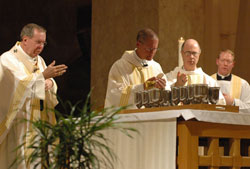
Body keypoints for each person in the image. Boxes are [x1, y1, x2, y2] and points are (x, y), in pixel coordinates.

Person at [0, 23, 68, 168]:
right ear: (25, 40)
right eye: (38, 42)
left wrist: (50, 83)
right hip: (18, 123)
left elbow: (42, 83)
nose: (41, 47)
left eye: (44, 43)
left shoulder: (40, 60)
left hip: (39, 121)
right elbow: (17, 87)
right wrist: (43, 76)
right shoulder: (8, 59)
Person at [104, 28, 169, 109]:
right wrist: (144, 86)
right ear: (138, 44)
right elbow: (115, 95)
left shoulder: (156, 67)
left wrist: (163, 88)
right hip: (129, 118)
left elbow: (167, 93)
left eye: (155, 49)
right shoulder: (120, 66)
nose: (152, 53)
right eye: (149, 49)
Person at [165, 39, 225, 105]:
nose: (191, 57)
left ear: (199, 54)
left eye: (194, 53)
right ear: (182, 53)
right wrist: (177, 85)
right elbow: (164, 101)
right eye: (188, 53)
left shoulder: (209, 81)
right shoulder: (171, 76)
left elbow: (220, 104)